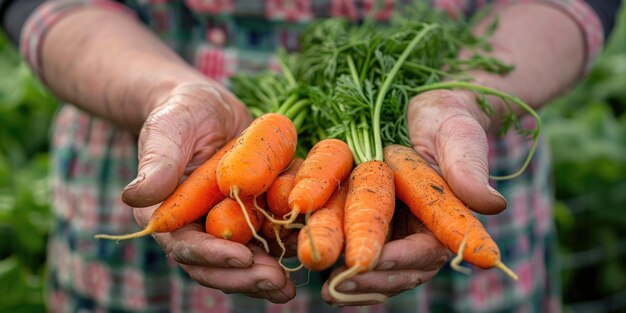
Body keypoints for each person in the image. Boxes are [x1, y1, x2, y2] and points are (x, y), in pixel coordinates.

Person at [0, 0, 621, 312]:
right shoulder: (265, 146)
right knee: (267, 199)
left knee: (339, 210)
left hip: (440, 176)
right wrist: (165, 94)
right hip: (170, 169)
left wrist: (462, 100)